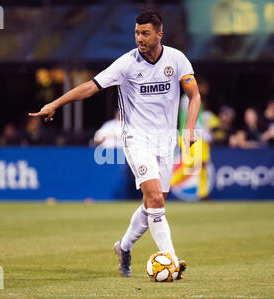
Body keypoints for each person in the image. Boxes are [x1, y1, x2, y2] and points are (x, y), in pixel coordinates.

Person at [29, 11, 201, 279]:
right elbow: (90, 86)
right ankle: (172, 261)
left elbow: (194, 95)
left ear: (159, 35)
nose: (139, 38)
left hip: (166, 141)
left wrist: (189, 128)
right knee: (155, 198)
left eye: (145, 33)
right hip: (136, 138)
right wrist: (55, 103)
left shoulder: (177, 59)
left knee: (153, 204)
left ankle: (124, 246)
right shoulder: (127, 63)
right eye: (136, 33)